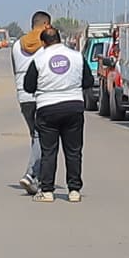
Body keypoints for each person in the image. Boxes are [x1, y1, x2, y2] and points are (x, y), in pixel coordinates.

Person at [23, 22, 86, 199]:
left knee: (49, 151)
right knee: (73, 151)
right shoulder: (77, 57)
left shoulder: (39, 59)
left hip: (47, 109)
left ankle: (48, 191)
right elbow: (87, 81)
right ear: (60, 40)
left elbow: (28, 86)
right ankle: (74, 190)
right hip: (74, 107)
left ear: (43, 43)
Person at [13, 20, 50, 191]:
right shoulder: (45, 46)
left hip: (23, 96)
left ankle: (38, 177)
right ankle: (31, 174)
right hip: (40, 95)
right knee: (40, 137)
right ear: (45, 24)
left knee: (36, 136)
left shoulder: (16, 46)